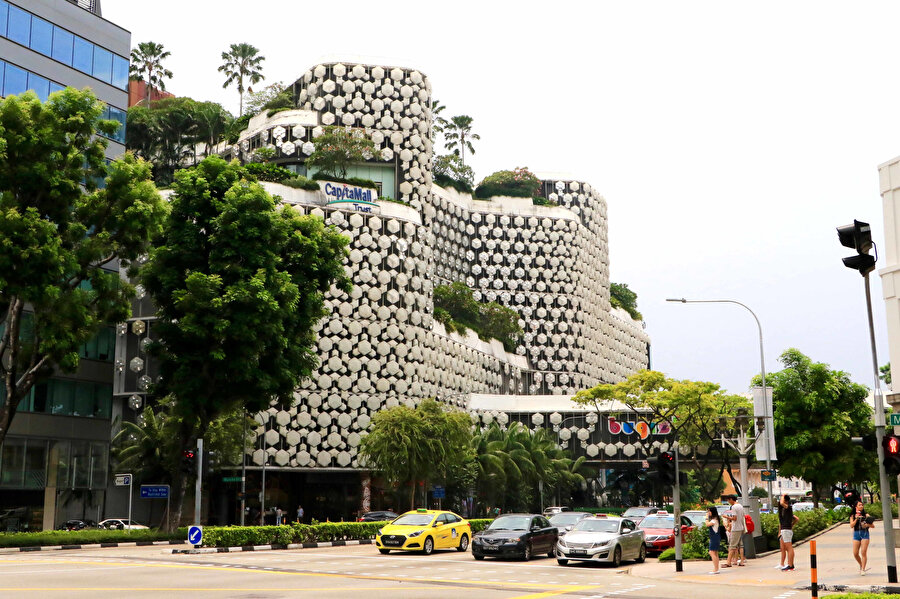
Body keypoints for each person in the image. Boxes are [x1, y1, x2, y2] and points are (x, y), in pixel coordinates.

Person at [850, 500, 873, 575]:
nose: (861, 506)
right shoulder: (853, 515)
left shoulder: (866, 515)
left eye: (862, 505)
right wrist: (856, 519)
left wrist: (866, 525)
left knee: (863, 552)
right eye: (859, 505)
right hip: (856, 534)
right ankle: (861, 564)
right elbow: (851, 525)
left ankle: (863, 569)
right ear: (856, 507)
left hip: (865, 534)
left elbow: (872, 526)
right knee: (855, 553)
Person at [778, 494, 799, 571]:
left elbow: (781, 503)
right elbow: (797, 519)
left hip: (786, 529)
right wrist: (791, 525)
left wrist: (783, 496)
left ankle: (790, 565)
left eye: (782, 499)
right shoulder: (786, 509)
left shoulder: (788, 507)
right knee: (785, 547)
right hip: (786, 529)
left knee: (789, 547)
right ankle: (788, 564)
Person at [724, 495, 746, 567]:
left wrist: (726, 517)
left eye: (728, 500)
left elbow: (734, 518)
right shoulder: (740, 506)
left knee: (732, 545)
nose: (728, 502)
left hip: (735, 528)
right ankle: (742, 561)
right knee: (741, 545)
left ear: (731, 499)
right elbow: (743, 516)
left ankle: (728, 562)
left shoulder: (734, 507)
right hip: (741, 527)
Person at [705, 506, 724, 574]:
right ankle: (716, 568)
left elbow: (707, 524)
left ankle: (716, 569)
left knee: (711, 552)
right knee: (715, 553)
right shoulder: (715, 519)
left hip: (715, 537)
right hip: (714, 537)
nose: (708, 513)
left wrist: (706, 517)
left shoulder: (714, 520)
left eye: (709, 511)